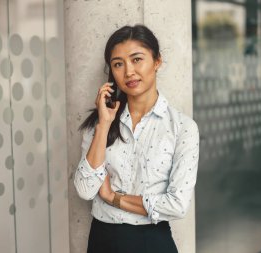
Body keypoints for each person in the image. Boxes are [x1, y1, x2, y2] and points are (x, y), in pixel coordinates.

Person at [74, 24, 200, 253]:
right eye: (118, 64)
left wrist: (114, 197)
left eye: (137, 59)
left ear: (157, 61)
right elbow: (84, 188)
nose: (129, 72)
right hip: (103, 240)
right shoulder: (100, 122)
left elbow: (177, 205)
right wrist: (104, 124)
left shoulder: (182, 128)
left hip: (152, 242)